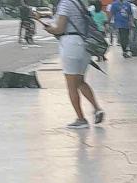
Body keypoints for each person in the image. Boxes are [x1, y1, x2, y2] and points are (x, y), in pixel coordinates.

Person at [41, 0, 104, 129]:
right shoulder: (79, 3)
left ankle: (81, 119)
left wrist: (49, 28)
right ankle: (97, 108)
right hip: (85, 44)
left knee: (71, 86)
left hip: (71, 44)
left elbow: (59, 28)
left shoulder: (65, 3)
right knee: (80, 81)